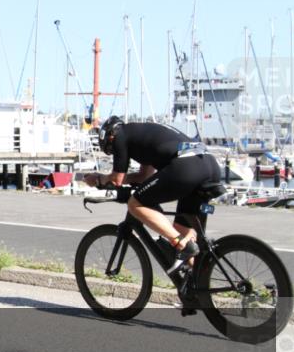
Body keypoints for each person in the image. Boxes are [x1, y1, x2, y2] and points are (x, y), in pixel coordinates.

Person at [84, 117, 222, 275]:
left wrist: (98, 179)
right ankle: (199, 286)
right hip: (208, 164)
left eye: (112, 150)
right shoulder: (142, 134)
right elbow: (143, 177)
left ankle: (180, 244)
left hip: (187, 167)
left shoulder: (120, 135)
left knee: (135, 204)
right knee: (182, 230)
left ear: (109, 136)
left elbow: (117, 179)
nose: (115, 151)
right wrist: (113, 180)